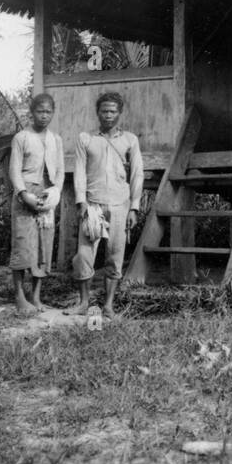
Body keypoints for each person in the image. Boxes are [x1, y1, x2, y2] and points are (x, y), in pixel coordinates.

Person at [65, 91, 142, 318]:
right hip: (93, 205)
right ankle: (83, 303)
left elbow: (137, 174)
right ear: (97, 113)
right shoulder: (86, 139)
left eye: (112, 111)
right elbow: (79, 171)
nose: (108, 115)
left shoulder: (130, 140)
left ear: (119, 113)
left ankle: (108, 306)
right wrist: (80, 201)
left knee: (115, 256)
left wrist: (134, 207)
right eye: (104, 111)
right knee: (84, 256)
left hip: (120, 205)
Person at [7, 93, 65, 315]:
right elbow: (14, 169)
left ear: (53, 113)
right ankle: (19, 296)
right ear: (32, 113)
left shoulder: (56, 140)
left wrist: (55, 191)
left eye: (48, 111)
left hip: (47, 195)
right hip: (26, 195)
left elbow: (59, 170)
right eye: (40, 111)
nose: (44, 116)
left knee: (43, 246)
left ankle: (36, 296)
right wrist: (23, 193)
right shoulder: (21, 137)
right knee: (23, 245)